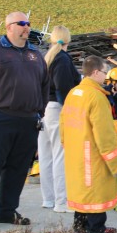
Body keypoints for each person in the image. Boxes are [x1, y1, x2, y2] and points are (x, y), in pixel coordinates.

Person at [0, 11, 49, 231]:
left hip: (27, 121)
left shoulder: (35, 54)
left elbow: (44, 86)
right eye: (22, 23)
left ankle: (6, 212)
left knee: (18, 170)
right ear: (9, 27)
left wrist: (39, 112)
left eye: (29, 23)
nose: (27, 27)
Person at [60, 56, 117, 233]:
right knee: (95, 192)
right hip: (92, 155)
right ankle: (96, 229)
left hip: (75, 152)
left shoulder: (74, 93)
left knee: (82, 192)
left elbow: (63, 123)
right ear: (95, 72)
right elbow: (105, 134)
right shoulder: (96, 97)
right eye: (105, 73)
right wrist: (116, 164)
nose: (106, 78)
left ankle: (79, 225)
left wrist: (67, 145)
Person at [38, 25, 80, 213]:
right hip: (58, 109)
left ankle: (48, 198)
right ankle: (62, 202)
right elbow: (64, 87)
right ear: (68, 40)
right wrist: (69, 109)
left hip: (44, 108)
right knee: (60, 155)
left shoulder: (46, 58)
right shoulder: (62, 59)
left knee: (46, 155)